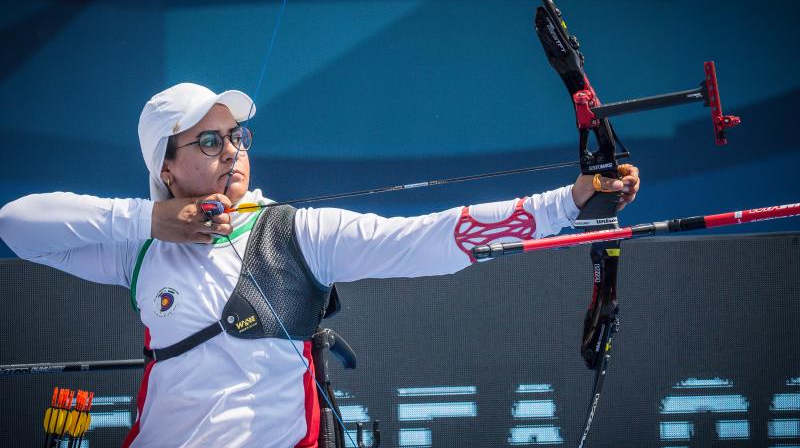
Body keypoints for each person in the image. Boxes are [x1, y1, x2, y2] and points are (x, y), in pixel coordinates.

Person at [0, 83, 640, 447]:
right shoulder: (137, 249)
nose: (231, 151)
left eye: (236, 137)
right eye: (207, 140)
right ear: (165, 166)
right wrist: (152, 220)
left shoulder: (297, 230)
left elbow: (430, 238)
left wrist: (571, 201)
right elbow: (16, 224)